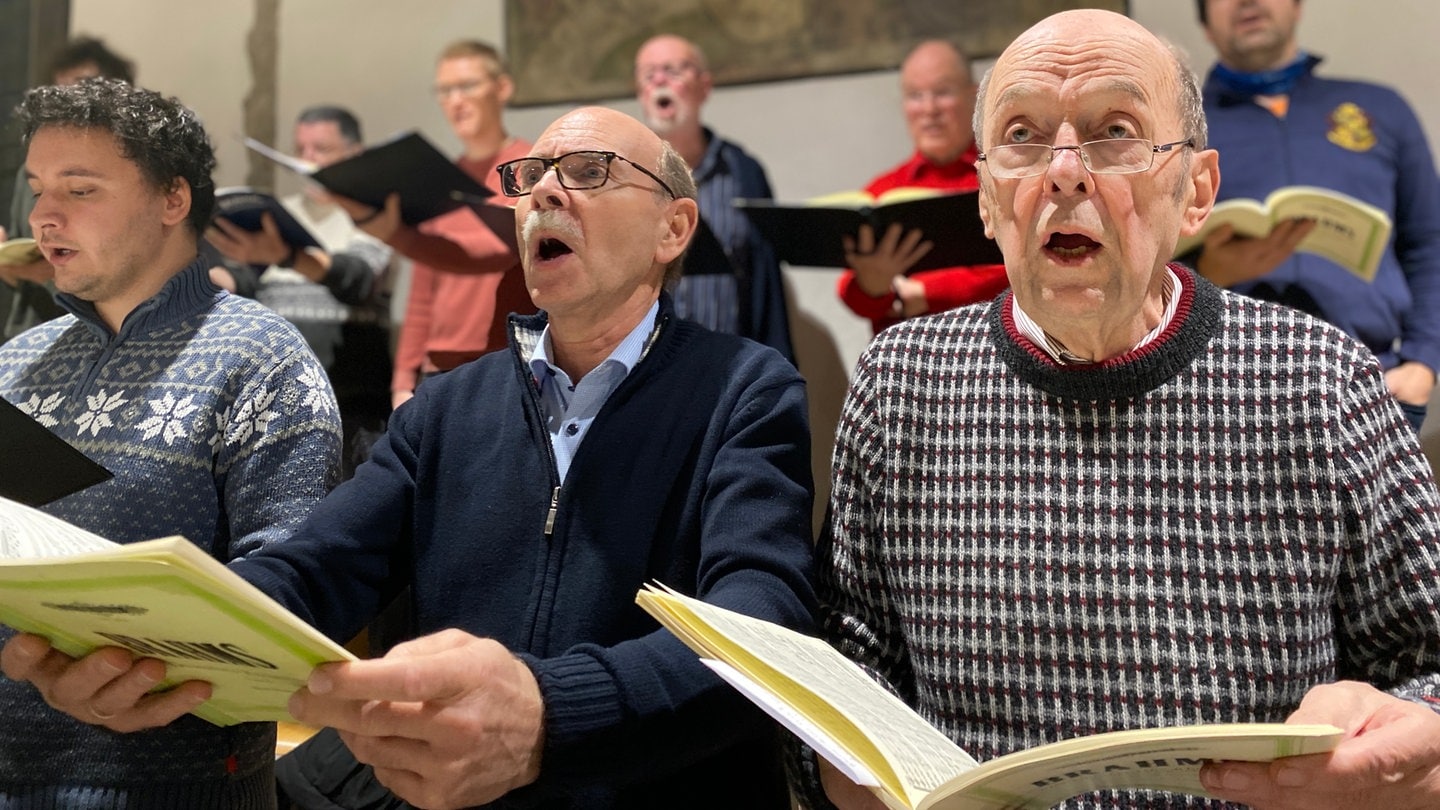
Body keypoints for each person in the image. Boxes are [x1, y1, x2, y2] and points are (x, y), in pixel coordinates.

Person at [3, 105, 818, 810]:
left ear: (673, 227)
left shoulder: (744, 388)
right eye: (529, 175)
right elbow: (313, 571)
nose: (541, 192)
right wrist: (145, 634)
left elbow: (762, 622)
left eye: (588, 170)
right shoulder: (448, 406)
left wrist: (548, 715)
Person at [798, 9, 1440, 809]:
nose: (1064, 171)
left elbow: (1428, 661)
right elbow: (849, 658)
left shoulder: (1322, 380)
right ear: (989, 199)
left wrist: (1405, 742)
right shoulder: (899, 386)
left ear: (1196, 191)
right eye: (1024, 135)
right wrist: (833, 762)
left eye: (1115, 130)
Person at [0, 79, 341, 807]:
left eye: (80, 189)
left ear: (172, 200)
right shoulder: (15, 361)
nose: (43, 215)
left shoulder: (263, 361)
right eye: (37, 189)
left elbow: (289, 601)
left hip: (165, 783)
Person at [1191, 0, 1440, 432]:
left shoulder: (1380, 108)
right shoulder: (1180, 132)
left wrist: (1423, 361)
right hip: (1223, 392)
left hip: (1374, 382)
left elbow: (1430, 243)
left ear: (1297, 6)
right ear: (1206, 25)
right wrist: (1206, 270)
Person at [337, 39, 535, 409]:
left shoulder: (527, 168)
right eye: (445, 90)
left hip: (506, 361)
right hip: (439, 368)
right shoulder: (442, 178)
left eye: (467, 86)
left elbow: (495, 251)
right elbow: (423, 289)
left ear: (502, 88)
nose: (455, 100)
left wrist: (397, 235)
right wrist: (402, 380)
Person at [208, 105, 399, 479]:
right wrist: (202, 278)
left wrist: (288, 256)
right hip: (278, 399)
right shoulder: (281, 213)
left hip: (352, 400)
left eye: (321, 150)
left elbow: (358, 281)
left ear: (354, 155)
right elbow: (245, 282)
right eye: (301, 150)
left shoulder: (372, 219)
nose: (306, 161)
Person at [634, 33, 795, 364]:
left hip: (730, 370)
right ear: (640, 93)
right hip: (641, 371)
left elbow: (766, 282)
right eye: (649, 75)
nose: (660, 80)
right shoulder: (623, 173)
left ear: (704, 87)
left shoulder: (743, 172)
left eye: (674, 71)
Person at [835, 40, 1010, 335]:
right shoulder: (883, 191)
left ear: (974, 96)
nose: (929, 109)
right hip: (902, 364)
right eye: (916, 96)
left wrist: (925, 291)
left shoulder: (1005, 175)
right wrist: (872, 286)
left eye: (942, 92)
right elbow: (851, 294)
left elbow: (1026, 264)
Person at [2, 35, 135, 342]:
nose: (69, 105)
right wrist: (10, 265)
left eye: (82, 90)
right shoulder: (30, 171)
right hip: (29, 333)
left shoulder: (131, 172)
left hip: (97, 336)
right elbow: (26, 250)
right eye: (59, 93)